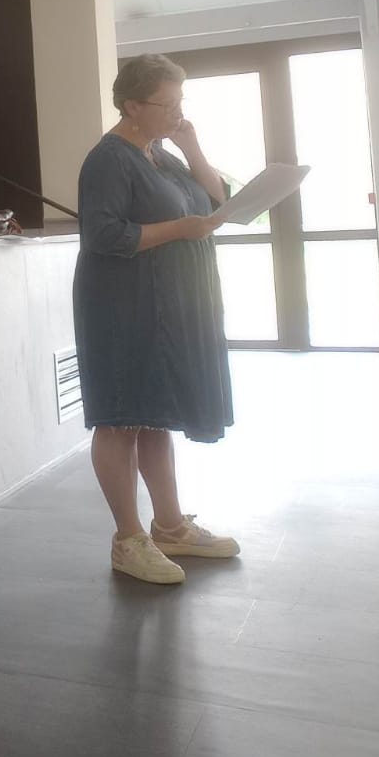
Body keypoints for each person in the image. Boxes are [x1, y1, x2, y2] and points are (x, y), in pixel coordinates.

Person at [73, 53, 242, 586]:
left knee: (153, 412)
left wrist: (191, 146)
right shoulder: (109, 159)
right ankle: (128, 539)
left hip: (165, 303)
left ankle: (169, 526)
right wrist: (178, 229)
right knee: (121, 415)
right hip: (121, 304)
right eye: (167, 104)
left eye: (180, 102)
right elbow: (105, 235)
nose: (177, 112)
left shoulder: (162, 154)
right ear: (132, 105)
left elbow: (217, 199)